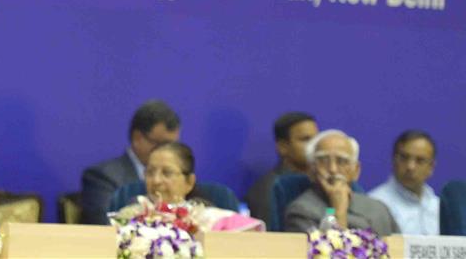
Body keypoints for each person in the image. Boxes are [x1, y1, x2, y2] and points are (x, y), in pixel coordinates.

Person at [112, 142, 264, 232]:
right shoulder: (130, 217)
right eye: (150, 172)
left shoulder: (208, 218)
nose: (156, 180)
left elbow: (252, 237)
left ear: (189, 182)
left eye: (167, 173)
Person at [79, 99, 181, 225]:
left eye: (172, 146)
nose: (167, 152)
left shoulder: (180, 176)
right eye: (161, 144)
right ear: (137, 138)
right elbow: (105, 226)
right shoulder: (102, 178)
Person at [283, 129, 398, 237]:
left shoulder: (378, 208)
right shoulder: (301, 211)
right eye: (323, 160)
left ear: (356, 171)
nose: (333, 169)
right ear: (311, 170)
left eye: (342, 161)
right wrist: (338, 210)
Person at [246, 111, 318, 228]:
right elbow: (268, 238)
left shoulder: (322, 184)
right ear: (283, 147)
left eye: (317, 139)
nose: (315, 146)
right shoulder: (270, 187)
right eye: (306, 139)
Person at [369, 130, 439, 235]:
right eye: (404, 158)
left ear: (431, 167)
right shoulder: (376, 204)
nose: (410, 166)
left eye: (420, 160)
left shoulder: (437, 205)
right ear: (394, 160)